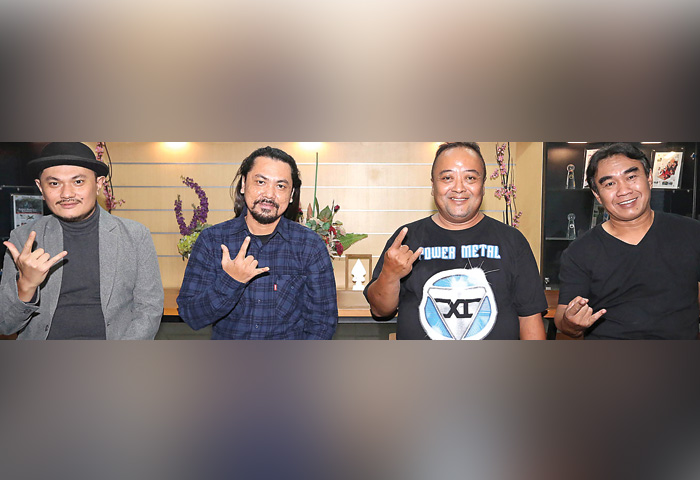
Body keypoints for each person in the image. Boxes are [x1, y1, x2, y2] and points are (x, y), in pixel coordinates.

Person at [364, 142, 547, 340]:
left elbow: (530, 319)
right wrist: (390, 275)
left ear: (483, 185)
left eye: (470, 178)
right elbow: (380, 310)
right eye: (447, 178)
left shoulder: (512, 240)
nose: (459, 188)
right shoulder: (407, 238)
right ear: (433, 185)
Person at [0, 142, 163, 339]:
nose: (67, 194)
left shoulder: (135, 235)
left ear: (99, 184)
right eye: (54, 184)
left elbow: (149, 310)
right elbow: (5, 325)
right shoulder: (23, 239)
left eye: (78, 182)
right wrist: (26, 286)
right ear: (40, 188)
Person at [177, 146, 338, 339]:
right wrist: (231, 281)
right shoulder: (212, 240)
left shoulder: (309, 246)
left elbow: (323, 324)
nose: (269, 194)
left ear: (292, 194)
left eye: (280, 186)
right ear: (243, 184)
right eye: (261, 182)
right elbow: (191, 316)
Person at [554, 143, 700, 339]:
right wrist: (571, 322)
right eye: (609, 184)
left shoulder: (692, 232)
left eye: (631, 177)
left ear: (649, 178)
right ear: (597, 195)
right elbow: (563, 317)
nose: (624, 190)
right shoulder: (580, 251)